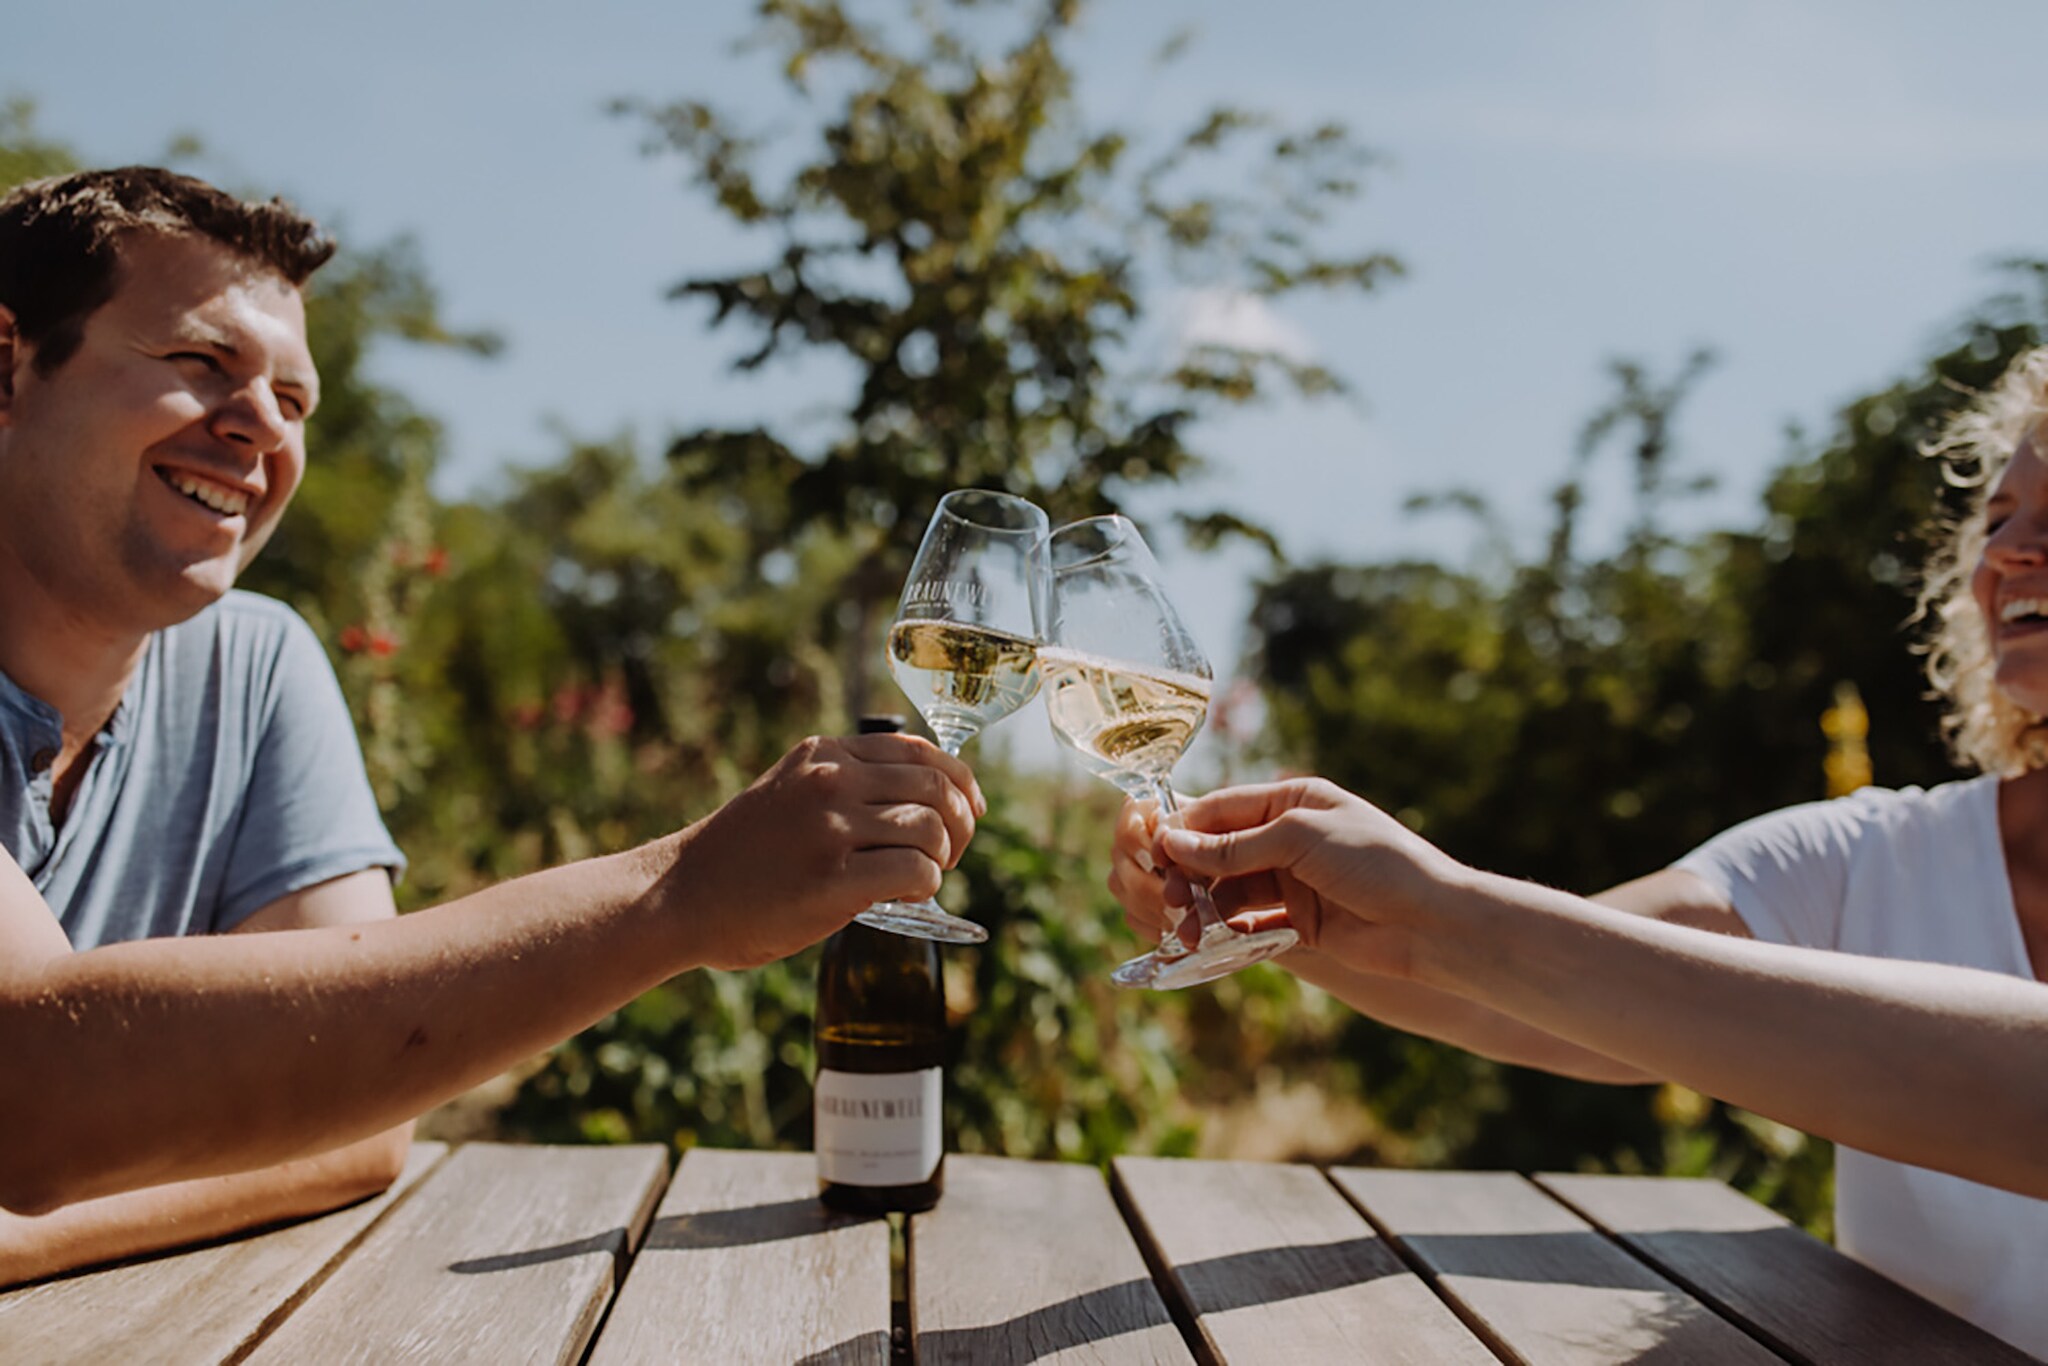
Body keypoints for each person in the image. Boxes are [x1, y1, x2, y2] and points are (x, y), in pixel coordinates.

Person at [0, 167, 982, 1284]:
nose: (260, 428)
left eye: (295, 400)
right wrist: (679, 894)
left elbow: (359, 1121)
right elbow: (31, 1083)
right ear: (7, 366)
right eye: (200, 363)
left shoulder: (256, 662)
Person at [1110, 346, 2048, 1357]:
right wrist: (1302, 921)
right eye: (1994, 517)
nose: (2008, 552)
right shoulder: (1879, 851)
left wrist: (1444, 912)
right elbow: (1576, 1000)